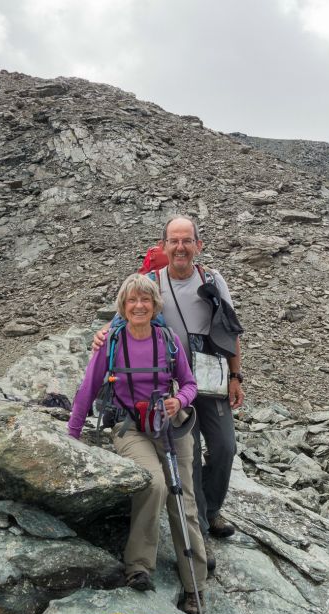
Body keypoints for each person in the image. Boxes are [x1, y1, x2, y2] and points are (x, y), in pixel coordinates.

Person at [94, 216, 245, 567]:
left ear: (198, 245)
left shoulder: (212, 280)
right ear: (163, 246)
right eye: (174, 241)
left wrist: (236, 376)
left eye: (187, 241)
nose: (180, 247)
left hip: (208, 376)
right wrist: (103, 333)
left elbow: (231, 329)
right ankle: (199, 524)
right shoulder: (151, 282)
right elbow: (126, 314)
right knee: (186, 456)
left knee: (224, 446)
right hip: (169, 381)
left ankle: (212, 509)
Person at [69, 273, 208, 614]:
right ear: (123, 307)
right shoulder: (112, 342)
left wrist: (180, 401)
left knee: (183, 498)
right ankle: (139, 567)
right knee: (154, 484)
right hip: (130, 428)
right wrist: (71, 436)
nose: (139, 306)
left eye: (145, 300)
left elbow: (190, 384)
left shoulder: (168, 340)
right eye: (132, 300)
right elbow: (88, 389)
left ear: (154, 305)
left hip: (170, 427)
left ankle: (196, 586)